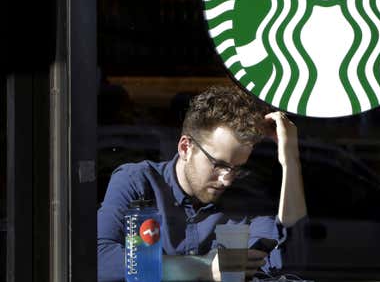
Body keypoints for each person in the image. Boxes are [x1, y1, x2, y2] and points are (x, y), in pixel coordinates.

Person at [97, 86, 307, 281]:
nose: (227, 179)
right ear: (186, 147)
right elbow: (100, 260)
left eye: (237, 168)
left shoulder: (244, 198)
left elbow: (288, 259)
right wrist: (202, 267)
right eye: (218, 164)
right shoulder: (138, 182)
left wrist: (290, 161)